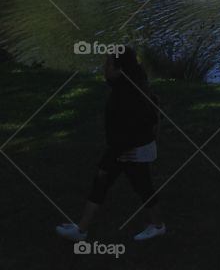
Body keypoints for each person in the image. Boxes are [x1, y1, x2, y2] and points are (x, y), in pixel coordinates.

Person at [56, 45, 165, 241]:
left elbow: (130, 129)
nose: (104, 67)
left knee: (136, 185)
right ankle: (81, 229)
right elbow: (153, 113)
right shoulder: (133, 86)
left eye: (108, 64)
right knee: (108, 183)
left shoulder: (125, 94)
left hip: (129, 151)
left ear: (120, 69)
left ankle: (157, 226)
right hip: (129, 149)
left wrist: (113, 158)